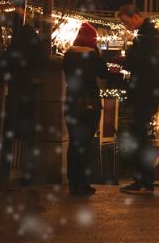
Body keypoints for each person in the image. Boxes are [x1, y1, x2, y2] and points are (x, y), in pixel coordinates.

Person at [0, 0, 46, 187]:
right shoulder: (35, 49)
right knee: (29, 138)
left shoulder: (15, 47)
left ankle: (3, 176)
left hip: (14, 94)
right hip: (29, 95)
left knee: (8, 136)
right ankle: (28, 176)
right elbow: (42, 64)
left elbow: (1, 66)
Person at [116, 3, 159, 195]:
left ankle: (143, 179)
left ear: (135, 16)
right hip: (148, 92)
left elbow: (145, 62)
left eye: (125, 21)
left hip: (145, 92)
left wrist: (125, 61)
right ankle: (144, 179)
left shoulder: (148, 36)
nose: (125, 25)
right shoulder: (150, 33)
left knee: (138, 136)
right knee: (139, 135)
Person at [61, 22, 112, 197]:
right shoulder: (93, 56)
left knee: (74, 143)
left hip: (72, 103)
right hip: (89, 103)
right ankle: (82, 182)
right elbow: (104, 73)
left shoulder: (68, 55)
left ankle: (72, 182)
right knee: (84, 144)